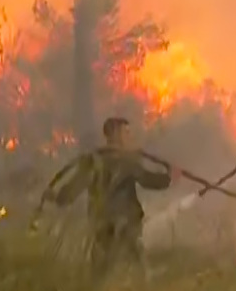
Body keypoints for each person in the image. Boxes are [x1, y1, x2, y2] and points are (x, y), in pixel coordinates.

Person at [41, 116, 180, 280]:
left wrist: (56, 197)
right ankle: (137, 287)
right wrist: (170, 177)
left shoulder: (93, 160)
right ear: (114, 134)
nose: (130, 137)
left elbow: (71, 192)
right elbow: (148, 180)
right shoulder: (125, 160)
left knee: (104, 269)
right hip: (125, 223)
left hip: (101, 223)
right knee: (134, 264)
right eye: (126, 133)